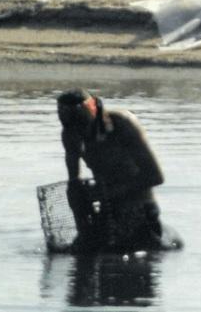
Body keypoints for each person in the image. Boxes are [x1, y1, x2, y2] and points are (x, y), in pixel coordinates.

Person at [56, 89, 170, 253]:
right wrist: (83, 226)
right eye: (75, 128)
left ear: (93, 112)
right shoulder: (70, 135)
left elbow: (155, 177)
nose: (81, 133)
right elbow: (74, 186)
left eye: (83, 126)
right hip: (108, 211)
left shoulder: (122, 124)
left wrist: (109, 192)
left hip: (140, 209)